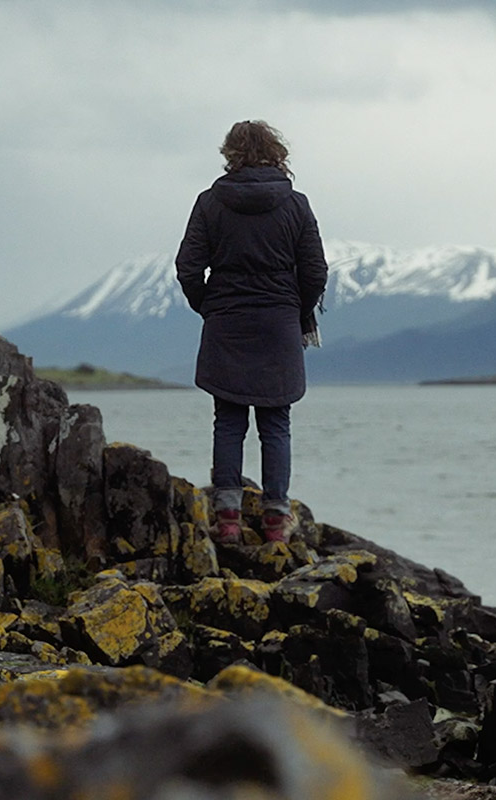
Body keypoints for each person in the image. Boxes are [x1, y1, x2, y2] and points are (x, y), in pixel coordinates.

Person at [175, 120, 328, 544]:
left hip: (227, 321)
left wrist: (208, 305)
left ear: (230, 154)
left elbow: (187, 267)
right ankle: (276, 520)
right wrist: (297, 309)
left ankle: (227, 519)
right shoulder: (296, 205)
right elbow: (315, 271)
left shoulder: (209, 203)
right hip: (280, 323)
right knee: (276, 423)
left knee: (228, 420)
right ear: (277, 153)